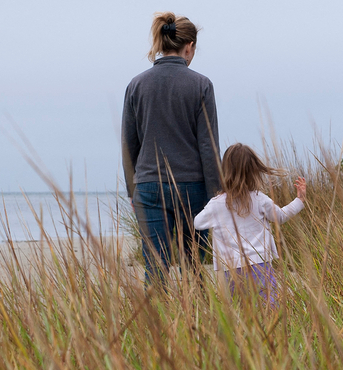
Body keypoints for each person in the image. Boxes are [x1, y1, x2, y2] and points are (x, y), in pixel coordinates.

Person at [121, 12, 220, 287]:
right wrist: (216, 194)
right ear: (189, 46)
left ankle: (158, 328)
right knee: (194, 267)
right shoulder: (201, 85)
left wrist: (133, 190)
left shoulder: (136, 85)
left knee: (155, 269)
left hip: (148, 187)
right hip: (193, 187)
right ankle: (194, 326)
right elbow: (208, 146)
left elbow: (129, 145)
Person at [193, 143, 306, 307]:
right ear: (253, 171)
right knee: (268, 307)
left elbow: (198, 223)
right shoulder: (260, 199)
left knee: (239, 309)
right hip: (259, 264)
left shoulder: (216, 204)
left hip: (229, 268)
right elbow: (280, 216)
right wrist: (299, 200)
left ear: (225, 171)